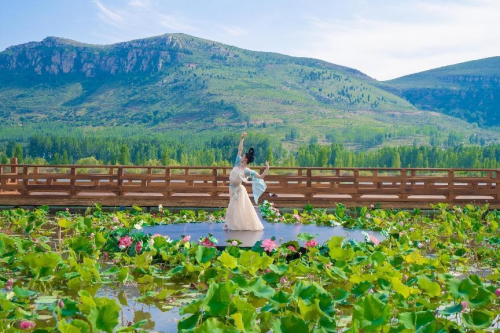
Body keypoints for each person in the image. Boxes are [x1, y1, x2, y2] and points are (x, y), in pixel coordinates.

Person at [225, 132, 270, 231]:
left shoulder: (247, 171)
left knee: (234, 206)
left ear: (245, 159)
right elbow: (239, 150)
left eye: (242, 157)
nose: (240, 157)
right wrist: (242, 139)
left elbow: (261, 176)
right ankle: (232, 223)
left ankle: (227, 224)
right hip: (231, 187)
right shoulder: (237, 163)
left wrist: (267, 168)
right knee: (232, 205)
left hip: (239, 190)